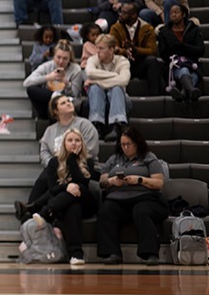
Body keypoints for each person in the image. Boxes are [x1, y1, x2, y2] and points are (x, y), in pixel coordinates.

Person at [21, 128, 96, 265]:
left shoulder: (87, 162)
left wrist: (72, 159)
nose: (74, 143)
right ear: (64, 143)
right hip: (65, 205)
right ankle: (76, 254)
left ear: (82, 143)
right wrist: (66, 187)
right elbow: (53, 189)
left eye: (77, 140)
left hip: (86, 202)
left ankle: (44, 213)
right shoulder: (54, 162)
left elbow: (82, 183)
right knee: (73, 207)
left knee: (79, 189)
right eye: (70, 140)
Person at [95, 126, 168, 266]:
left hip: (145, 197)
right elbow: (102, 182)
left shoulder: (148, 157)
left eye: (128, 144)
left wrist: (139, 180)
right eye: (122, 144)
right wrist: (111, 181)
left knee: (141, 211)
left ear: (137, 143)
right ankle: (113, 253)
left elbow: (159, 183)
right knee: (106, 211)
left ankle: (151, 254)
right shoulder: (114, 159)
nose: (125, 147)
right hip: (117, 199)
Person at [35, 92, 101, 169]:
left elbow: (90, 150)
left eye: (69, 101)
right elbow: (44, 152)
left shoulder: (85, 125)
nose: (68, 104)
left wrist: (68, 165)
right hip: (56, 169)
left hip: (82, 168)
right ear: (55, 111)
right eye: (63, 103)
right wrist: (54, 165)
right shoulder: (50, 130)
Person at [84, 34, 130, 140]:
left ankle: (118, 126)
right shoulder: (93, 59)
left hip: (120, 101)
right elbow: (90, 72)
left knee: (117, 88)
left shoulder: (122, 61)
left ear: (111, 49)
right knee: (95, 88)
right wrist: (115, 76)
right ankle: (96, 126)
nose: (97, 51)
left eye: (101, 48)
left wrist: (98, 81)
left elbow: (124, 80)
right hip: (96, 101)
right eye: (97, 48)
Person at [156, 3, 205, 103]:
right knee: (183, 70)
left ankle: (183, 93)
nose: (173, 15)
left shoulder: (194, 30)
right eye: (171, 13)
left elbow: (201, 50)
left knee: (193, 75)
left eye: (176, 12)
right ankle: (191, 90)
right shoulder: (164, 32)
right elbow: (162, 53)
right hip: (173, 66)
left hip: (193, 64)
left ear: (183, 14)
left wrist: (183, 47)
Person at [109, 2, 161, 95]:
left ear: (133, 15)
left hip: (140, 63)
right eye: (120, 12)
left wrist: (136, 50)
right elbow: (113, 48)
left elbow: (152, 50)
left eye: (124, 13)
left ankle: (155, 95)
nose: (120, 15)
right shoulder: (115, 27)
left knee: (153, 61)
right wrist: (125, 51)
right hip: (122, 63)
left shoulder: (147, 28)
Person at [24, 44, 86, 120]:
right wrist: (48, 77)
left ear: (69, 59)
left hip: (67, 103)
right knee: (31, 89)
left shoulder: (76, 69)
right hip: (49, 102)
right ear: (54, 56)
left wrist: (66, 84)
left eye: (65, 59)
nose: (61, 61)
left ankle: (57, 99)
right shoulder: (47, 66)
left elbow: (74, 95)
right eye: (58, 57)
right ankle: (55, 97)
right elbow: (26, 83)